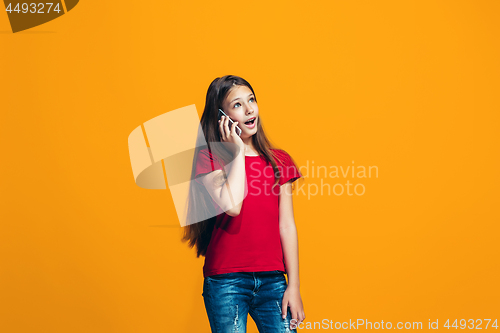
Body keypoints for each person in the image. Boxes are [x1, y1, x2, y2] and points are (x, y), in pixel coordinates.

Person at [182, 75, 305, 332]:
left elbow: (287, 226)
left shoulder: (279, 161)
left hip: (274, 280)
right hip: (227, 281)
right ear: (222, 117)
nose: (250, 109)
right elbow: (233, 206)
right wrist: (236, 153)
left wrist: (293, 286)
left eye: (251, 100)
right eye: (237, 105)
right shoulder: (209, 158)